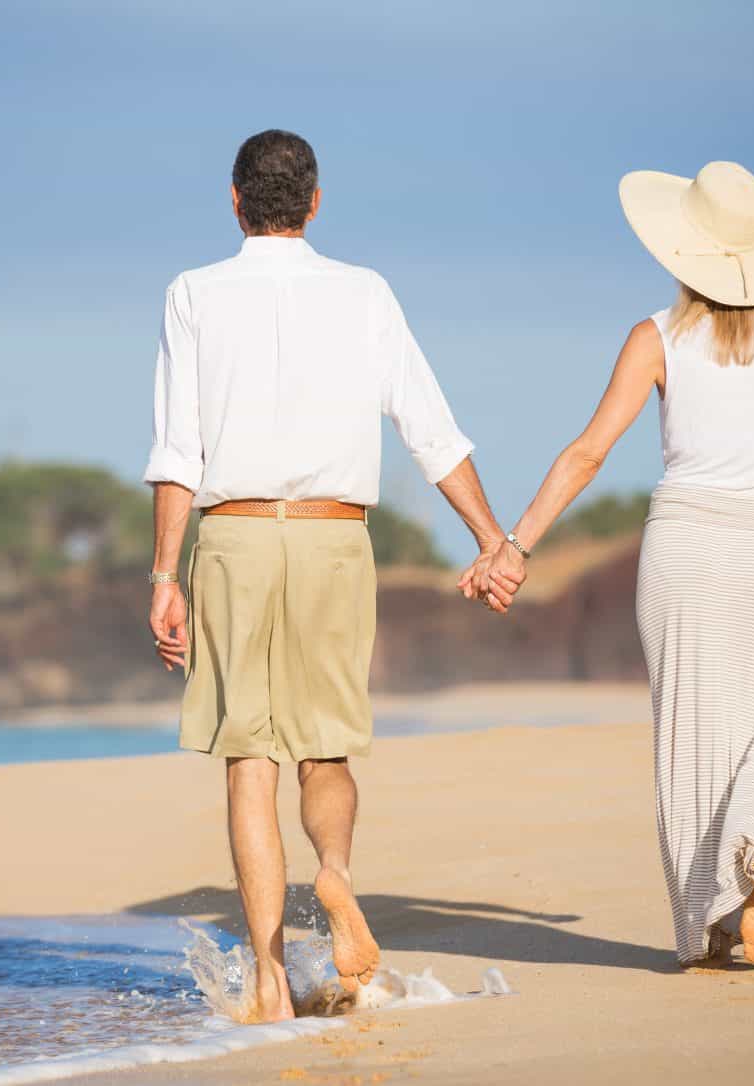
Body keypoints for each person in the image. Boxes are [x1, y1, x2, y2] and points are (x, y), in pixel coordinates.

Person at [143, 129, 520, 1020]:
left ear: (234, 202)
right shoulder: (365, 293)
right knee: (326, 745)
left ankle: (271, 979)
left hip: (233, 539)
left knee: (248, 758)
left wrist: (166, 572)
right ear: (315, 204)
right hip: (332, 536)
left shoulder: (193, 292)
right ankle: (337, 874)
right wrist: (492, 538)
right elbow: (431, 428)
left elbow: (177, 449)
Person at [464, 161, 754, 967]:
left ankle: (713, 917)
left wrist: (516, 545)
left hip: (687, 548)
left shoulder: (656, 337)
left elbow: (589, 452)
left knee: (689, 735)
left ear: (683, 251)